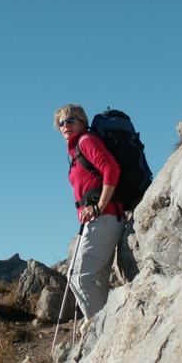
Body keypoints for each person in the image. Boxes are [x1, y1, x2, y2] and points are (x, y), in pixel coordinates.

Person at [54, 104, 126, 335]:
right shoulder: (76, 152)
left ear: (83, 122)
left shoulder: (86, 141)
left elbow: (111, 168)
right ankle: (106, 325)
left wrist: (98, 206)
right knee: (97, 280)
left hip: (105, 217)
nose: (65, 125)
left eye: (70, 120)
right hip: (101, 219)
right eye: (61, 123)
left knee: (77, 276)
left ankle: (100, 330)